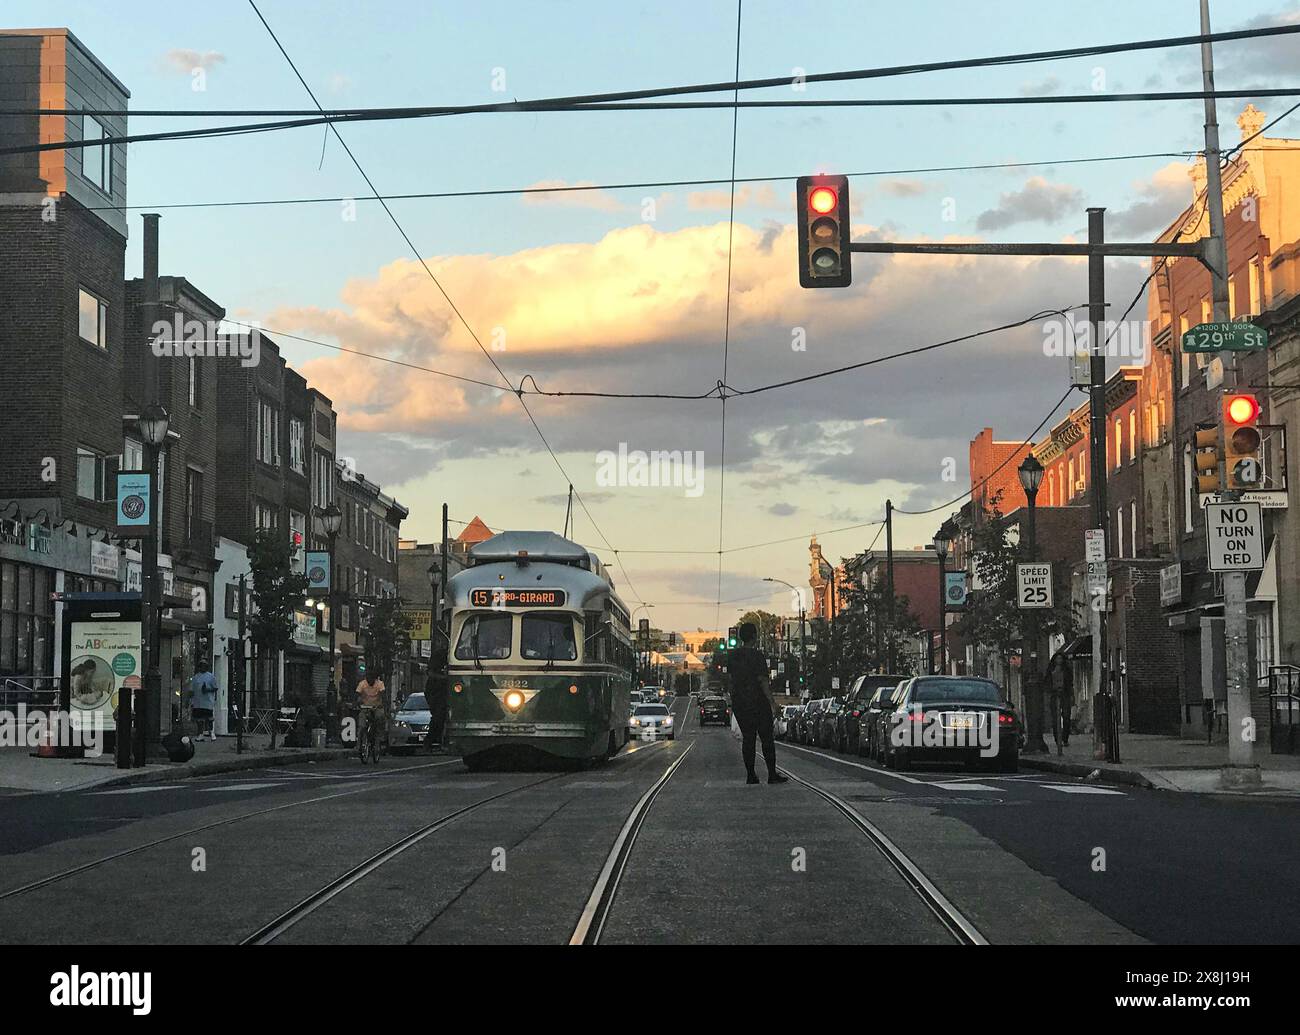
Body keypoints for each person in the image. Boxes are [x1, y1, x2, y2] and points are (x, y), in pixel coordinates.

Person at [726, 623, 787, 785]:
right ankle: (771, 774)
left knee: (748, 739)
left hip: (741, 703)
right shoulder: (757, 656)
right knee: (766, 738)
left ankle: (751, 774)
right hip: (758, 702)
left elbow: (731, 681)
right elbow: (763, 681)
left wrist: (732, 702)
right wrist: (772, 703)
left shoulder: (733, 656)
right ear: (754, 636)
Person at [355, 672, 387, 751]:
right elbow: (357, 694)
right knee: (361, 725)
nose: (370, 681)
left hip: (377, 707)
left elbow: (382, 694)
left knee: (379, 717)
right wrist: (357, 702)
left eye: (372, 679)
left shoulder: (380, 684)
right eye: (368, 678)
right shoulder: (362, 684)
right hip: (365, 707)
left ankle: (378, 739)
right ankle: (359, 744)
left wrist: (381, 703)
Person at [189, 660, 218, 741]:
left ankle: (211, 732)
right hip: (198, 701)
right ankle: (200, 734)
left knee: (209, 718)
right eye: (201, 666)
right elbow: (192, 690)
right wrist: (189, 700)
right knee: (199, 719)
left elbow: (215, 688)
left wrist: (207, 690)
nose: (203, 667)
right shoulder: (195, 677)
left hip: (208, 701)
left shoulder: (211, 676)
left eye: (204, 666)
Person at [424, 668, 448, 749]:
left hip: (440, 700)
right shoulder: (434, 683)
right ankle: (430, 742)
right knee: (437, 719)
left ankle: (436, 741)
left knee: (439, 720)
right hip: (437, 700)